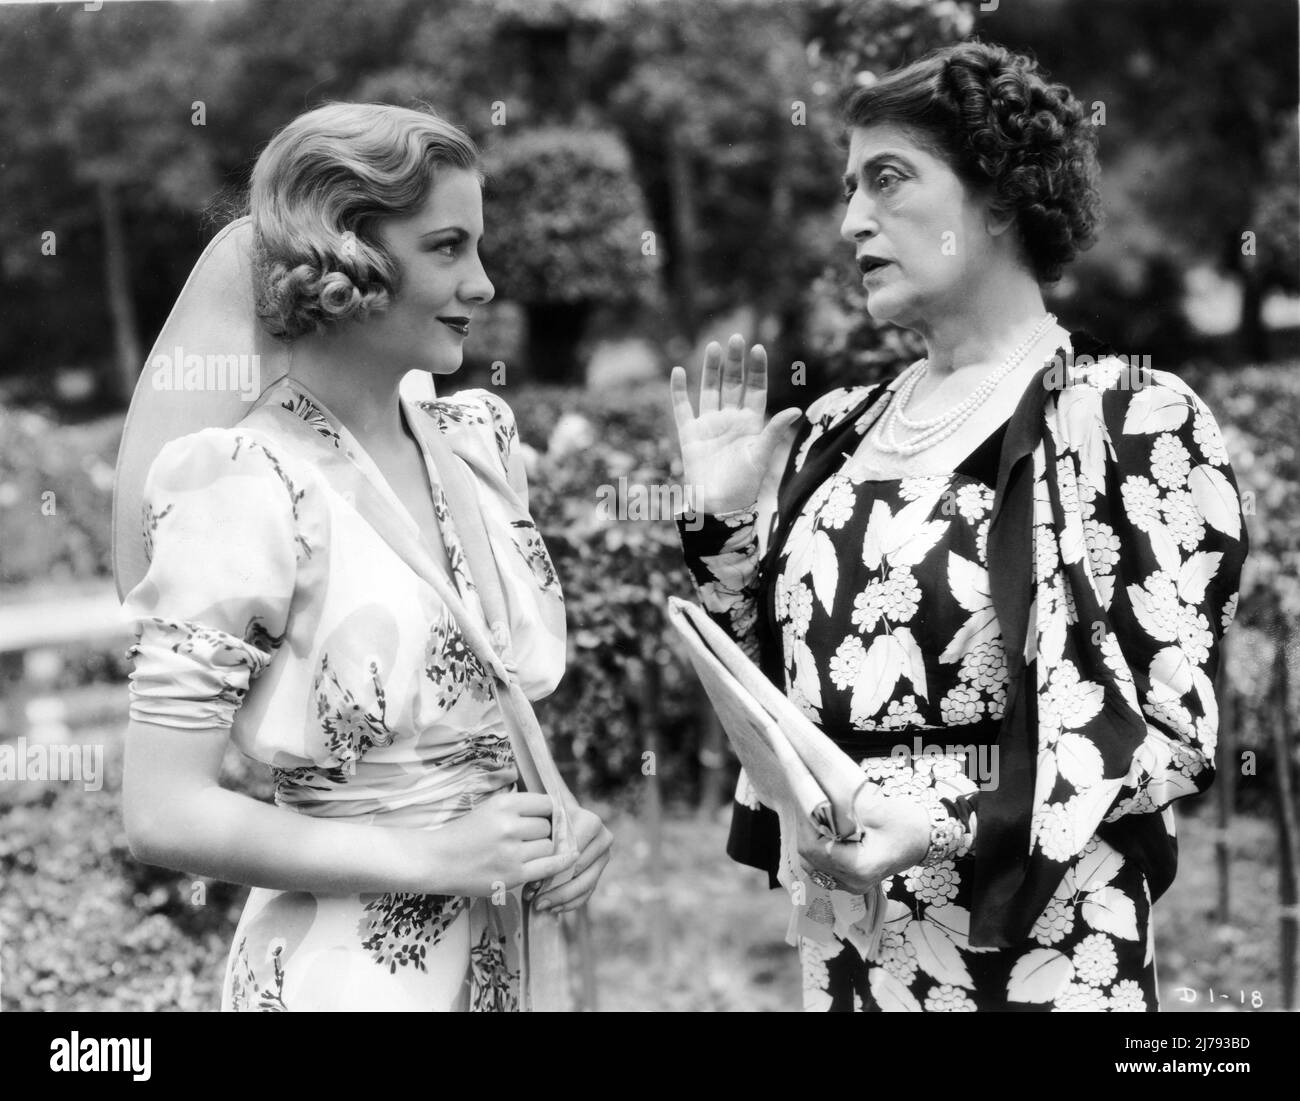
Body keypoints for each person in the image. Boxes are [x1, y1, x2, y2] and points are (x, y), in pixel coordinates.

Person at [670, 41, 1249, 1011]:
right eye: (848, 188)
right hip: (850, 955)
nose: (852, 221)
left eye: (888, 181)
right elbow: (773, 696)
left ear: (997, 195)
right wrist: (721, 531)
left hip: (1042, 964)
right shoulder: (833, 429)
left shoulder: (1130, 421)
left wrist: (935, 822)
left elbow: (1170, 736)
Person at [117, 102, 612, 1012]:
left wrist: (558, 822)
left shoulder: (476, 441)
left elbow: (471, 721)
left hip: (508, 964)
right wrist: (426, 857)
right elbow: (161, 810)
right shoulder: (245, 482)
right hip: (342, 976)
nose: (486, 283)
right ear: (349, 254)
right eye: (448, 247)